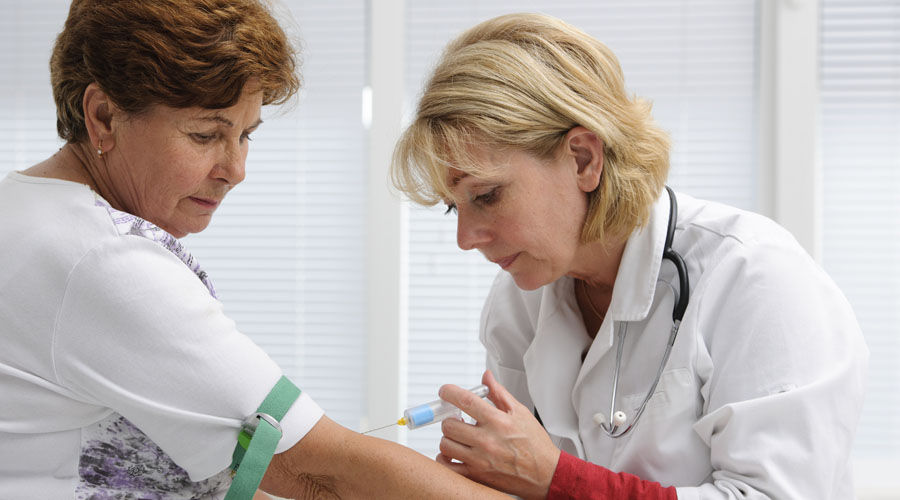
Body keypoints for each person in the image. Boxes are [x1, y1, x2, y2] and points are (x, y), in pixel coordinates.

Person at [0, 1, 513, 498]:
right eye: (206, 135)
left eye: (246, 135)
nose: (235, 169)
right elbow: (328, 472)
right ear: (104, 116)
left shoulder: (25, 209)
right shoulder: (101, 259)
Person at [391, 12, 869, 500]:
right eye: (455, 206)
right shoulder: (519, 302)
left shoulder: (755, 278)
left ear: (583, 159)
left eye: (487, 195)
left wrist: (556, 479)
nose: (466, 238)